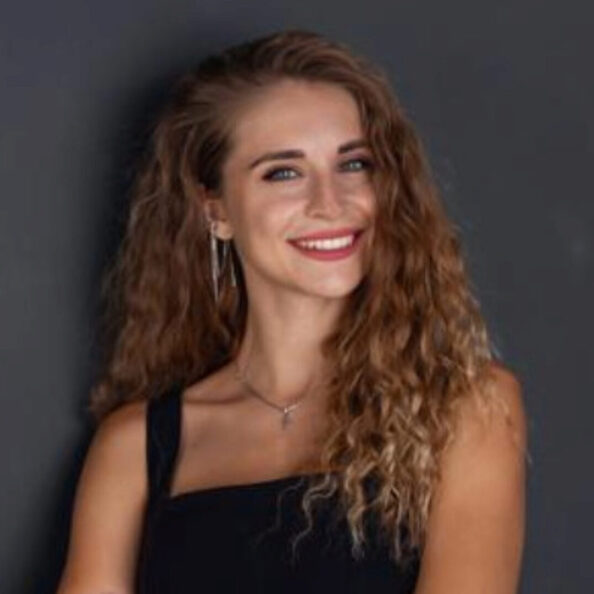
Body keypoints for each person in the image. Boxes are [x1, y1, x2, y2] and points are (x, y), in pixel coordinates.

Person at [56, 29, 528, 594]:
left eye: (354, 164)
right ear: (215, 210)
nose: (331, 203)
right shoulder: (135, 447)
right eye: (284, 172)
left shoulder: (466, 408)